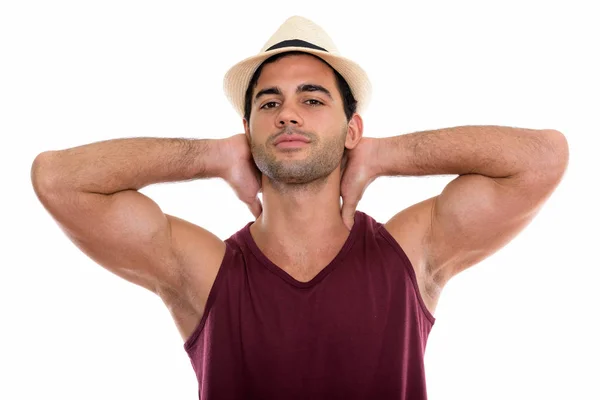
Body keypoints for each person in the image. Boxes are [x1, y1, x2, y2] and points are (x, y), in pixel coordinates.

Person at [30, 15, 569, 400]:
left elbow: (543, 157)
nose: (289, 115)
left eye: (313, 100)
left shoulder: (409, 251)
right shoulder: (205, 269)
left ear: (351, 127)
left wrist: (385, 155)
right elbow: (58, 179)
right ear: (248, 131)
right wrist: (210, 157)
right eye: (270, 103)